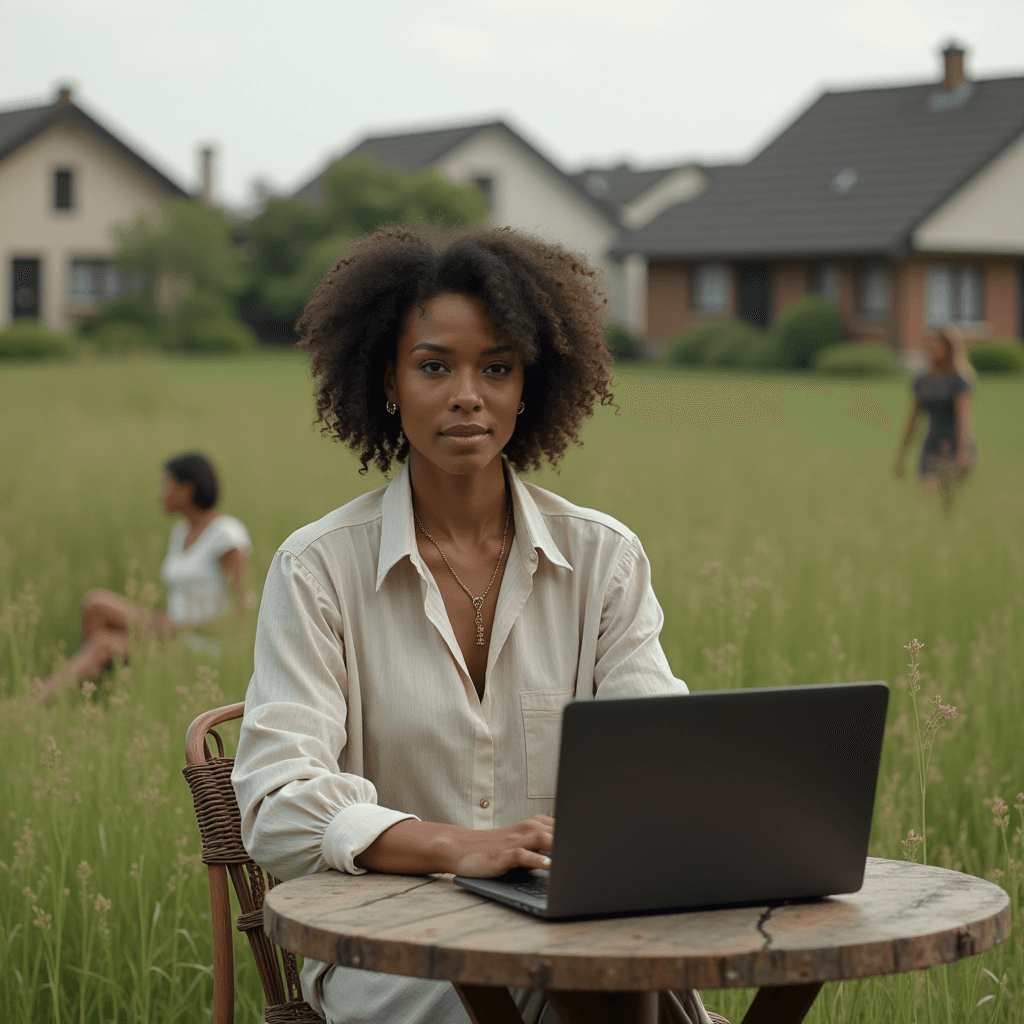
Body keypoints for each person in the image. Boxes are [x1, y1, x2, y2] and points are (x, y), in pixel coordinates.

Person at [231, 225, 714, 1024]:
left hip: (577, 933)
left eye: (496, 368)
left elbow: (656, 755)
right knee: (589, 991)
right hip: (390, 946)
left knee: (604, 979)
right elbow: (277, 804)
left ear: (529, 385)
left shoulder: (605, 559)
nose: (468, 394)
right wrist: (455, 847)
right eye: (434, 366)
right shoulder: (317, 568)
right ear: (388, 380)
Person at [42, 451, 251, 698]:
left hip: (203, 642)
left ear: (186, 490)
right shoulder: (181, 532)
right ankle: (95, 689)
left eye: (166, 485)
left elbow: (241, 615)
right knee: (95, 604)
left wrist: (180, 626)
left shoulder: (226, 535)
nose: (159, 493)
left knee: (104, 643)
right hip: (169, 629)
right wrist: (167, 624)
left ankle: (36, 702)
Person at [894, 325, 977, 514]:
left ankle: (947, 536)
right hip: (931, 446)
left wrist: (963, 452)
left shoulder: (959, 380)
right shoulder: (921, 381)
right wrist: (901, 456)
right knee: (927, 499)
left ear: (949, 347)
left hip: (954, 446)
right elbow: (913, 421)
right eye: (928, 342)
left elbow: (964, 418)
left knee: (946, 506)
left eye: (935, 342)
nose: (930, 346)